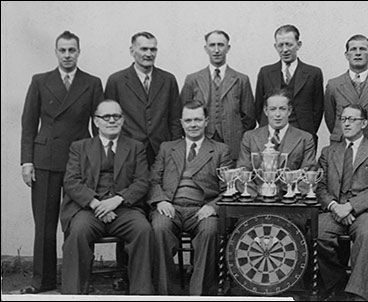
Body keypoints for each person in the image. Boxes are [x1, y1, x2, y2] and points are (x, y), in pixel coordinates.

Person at [19, 30, 103, 294]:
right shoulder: (40, 81)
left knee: (76, 222)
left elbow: (99, 125)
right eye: (63, 50)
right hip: (45, 160)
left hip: (79, 162)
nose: (67, 55)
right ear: (56, 52)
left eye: (72, 50)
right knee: (44, 223)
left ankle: (74, 280)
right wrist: (26, 161)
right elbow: (29, 124)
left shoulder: (92, 83)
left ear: (79, 52)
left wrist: (98, 161)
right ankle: (41, 281)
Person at [60, 100, 153, 294]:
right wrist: (96, 204)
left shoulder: (135, 147)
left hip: (124, 209)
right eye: (106, 117)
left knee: (143, 229)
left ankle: (142, 293)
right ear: (96, 121)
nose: (112, 120)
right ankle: (74, 294)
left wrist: (117, 200)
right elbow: (71, 181)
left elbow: (142, 182)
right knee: (78, 232)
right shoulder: (80, 147)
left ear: (123, 120)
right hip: (88, 210)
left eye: (116, 116)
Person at [149, 100, 233, 295]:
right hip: (171, 206)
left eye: (197, 119)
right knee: (159, 228)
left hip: (202, 209)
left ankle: (199, 294)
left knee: (211, 230)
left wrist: (213, 206)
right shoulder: (167, 148)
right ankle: (166, 293)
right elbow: (153, 180)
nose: (193, 124)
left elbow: (229, 188)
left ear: (206, 122)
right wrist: (161, 200)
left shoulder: (220, 150)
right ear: (181, 122)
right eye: (188, 120)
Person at [316, 104, 368, 301]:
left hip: (367, 211)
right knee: (317, 233)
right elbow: (320, 186)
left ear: (364, 123)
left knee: (366, 235)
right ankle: (337, 282)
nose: (347, 123)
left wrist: (350, 206)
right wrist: (335, 206)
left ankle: (358, 294)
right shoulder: (328, 152)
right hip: (335, 209)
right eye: (344, 119)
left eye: (352, 119)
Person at [105, 31, 182, 166]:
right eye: (144, 49)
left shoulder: (168, 80)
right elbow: (109, 119)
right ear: (132, 51)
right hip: (127, 151)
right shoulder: (116, 81)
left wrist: (173, 149)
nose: (149, 54)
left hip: (161, 151)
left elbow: (175, 119)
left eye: (153, 49)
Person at [180, 30, 255, 161]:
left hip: (232, 145)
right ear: (206, 48)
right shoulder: (193, 79)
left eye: (220, 45)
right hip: (202, 142)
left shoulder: (241, 79)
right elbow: (182, 113)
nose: (216, 50)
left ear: (228, 48)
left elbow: (249, 118)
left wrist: (235, 134)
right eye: (212, 45)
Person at [237, 88, 317, 198]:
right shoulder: (250, 137)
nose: (277, 114)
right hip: (258, 202)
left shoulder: (305, 138)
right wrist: (258, 199)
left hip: (292, 204)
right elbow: (243, 173)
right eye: (273, 109)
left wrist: (290, 198)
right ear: (266, 111)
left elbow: (308, 176)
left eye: (282, 109)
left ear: (289, 111)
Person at [255, 24, 324, 144]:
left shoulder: (313, 73)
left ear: (299, 45)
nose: (285, 49)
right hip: (271, 136)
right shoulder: (265, 72)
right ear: (275, 46)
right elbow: (259, 106)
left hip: (303, 134)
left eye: (289, 44)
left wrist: (309, 131)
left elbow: (318, 108)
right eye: (280, 45)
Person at [324, 34, 368, 145]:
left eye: (362, 49)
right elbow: (330, 119)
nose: (357, 53)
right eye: (353, 49)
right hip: (341, 144)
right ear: (347, 55)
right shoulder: (334, 85)